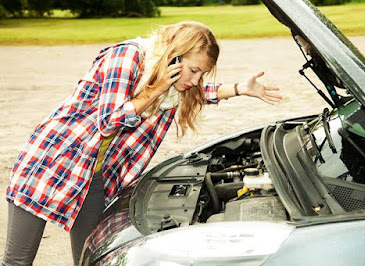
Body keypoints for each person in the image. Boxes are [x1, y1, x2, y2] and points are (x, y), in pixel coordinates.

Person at [1, 21, 282, 266]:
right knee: (18, 260)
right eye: (194, 70)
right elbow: (110, 120)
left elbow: (196, 92)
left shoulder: (173, 82)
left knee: (93, 258)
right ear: (175, 56)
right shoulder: (128, 58)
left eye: (201, 74)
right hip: (53, 160)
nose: (196, 80)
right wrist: (156, 89)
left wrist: (237, 89)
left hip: (93, 175)